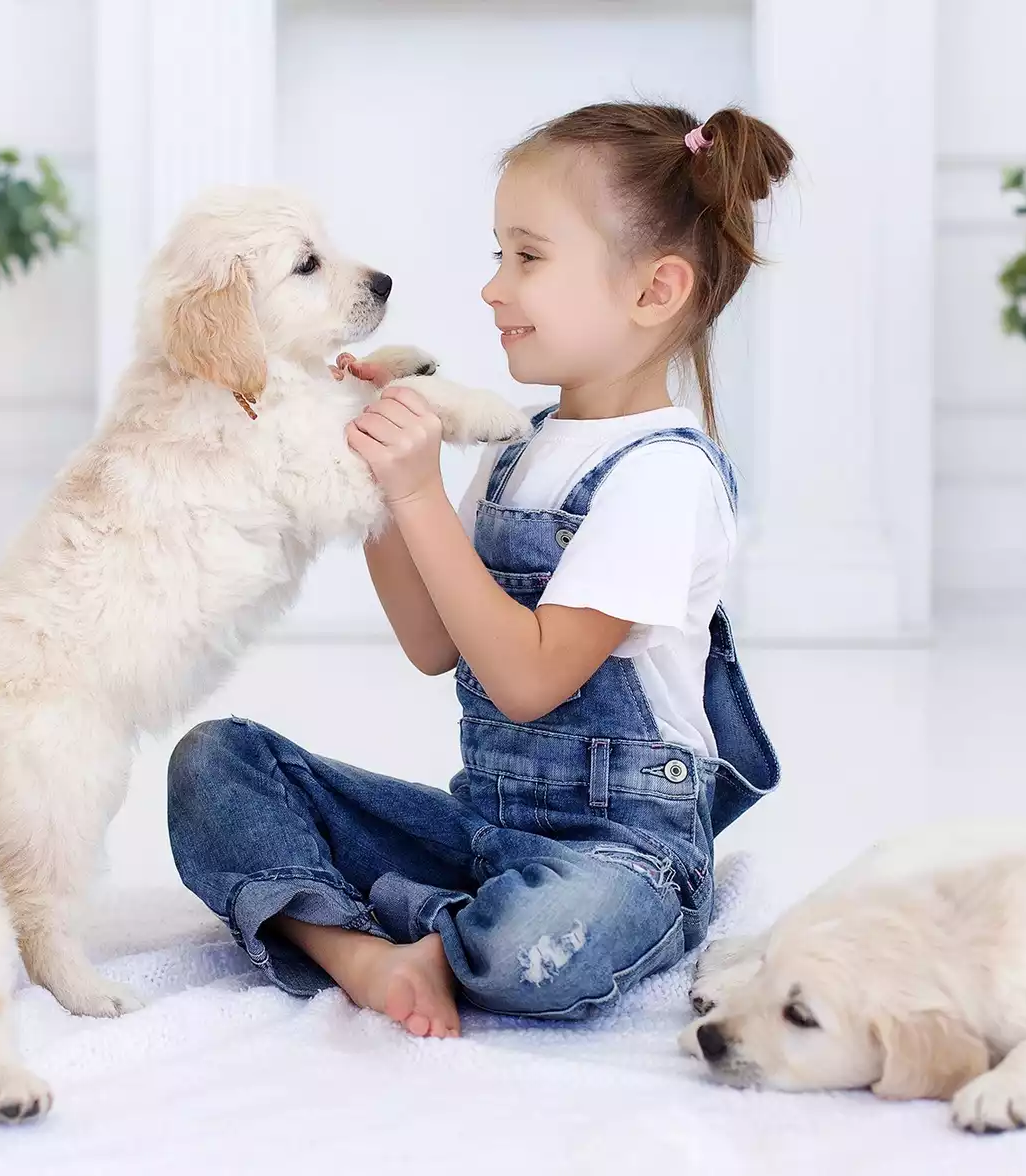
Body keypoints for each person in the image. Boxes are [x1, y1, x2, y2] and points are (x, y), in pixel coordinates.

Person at [167, 102, 791, 1037]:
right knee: (218, 764)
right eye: (497, 254)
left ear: (655, 291)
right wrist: (374, 471)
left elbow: (532, 680)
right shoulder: (520, 447)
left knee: (537, 939)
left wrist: (420, 495)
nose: (494, 289)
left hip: (619, 855)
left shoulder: (663, 473)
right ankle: (374, 952)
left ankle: (389, 927)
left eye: (527, 258)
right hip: (488, 830)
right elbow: (431, 642)